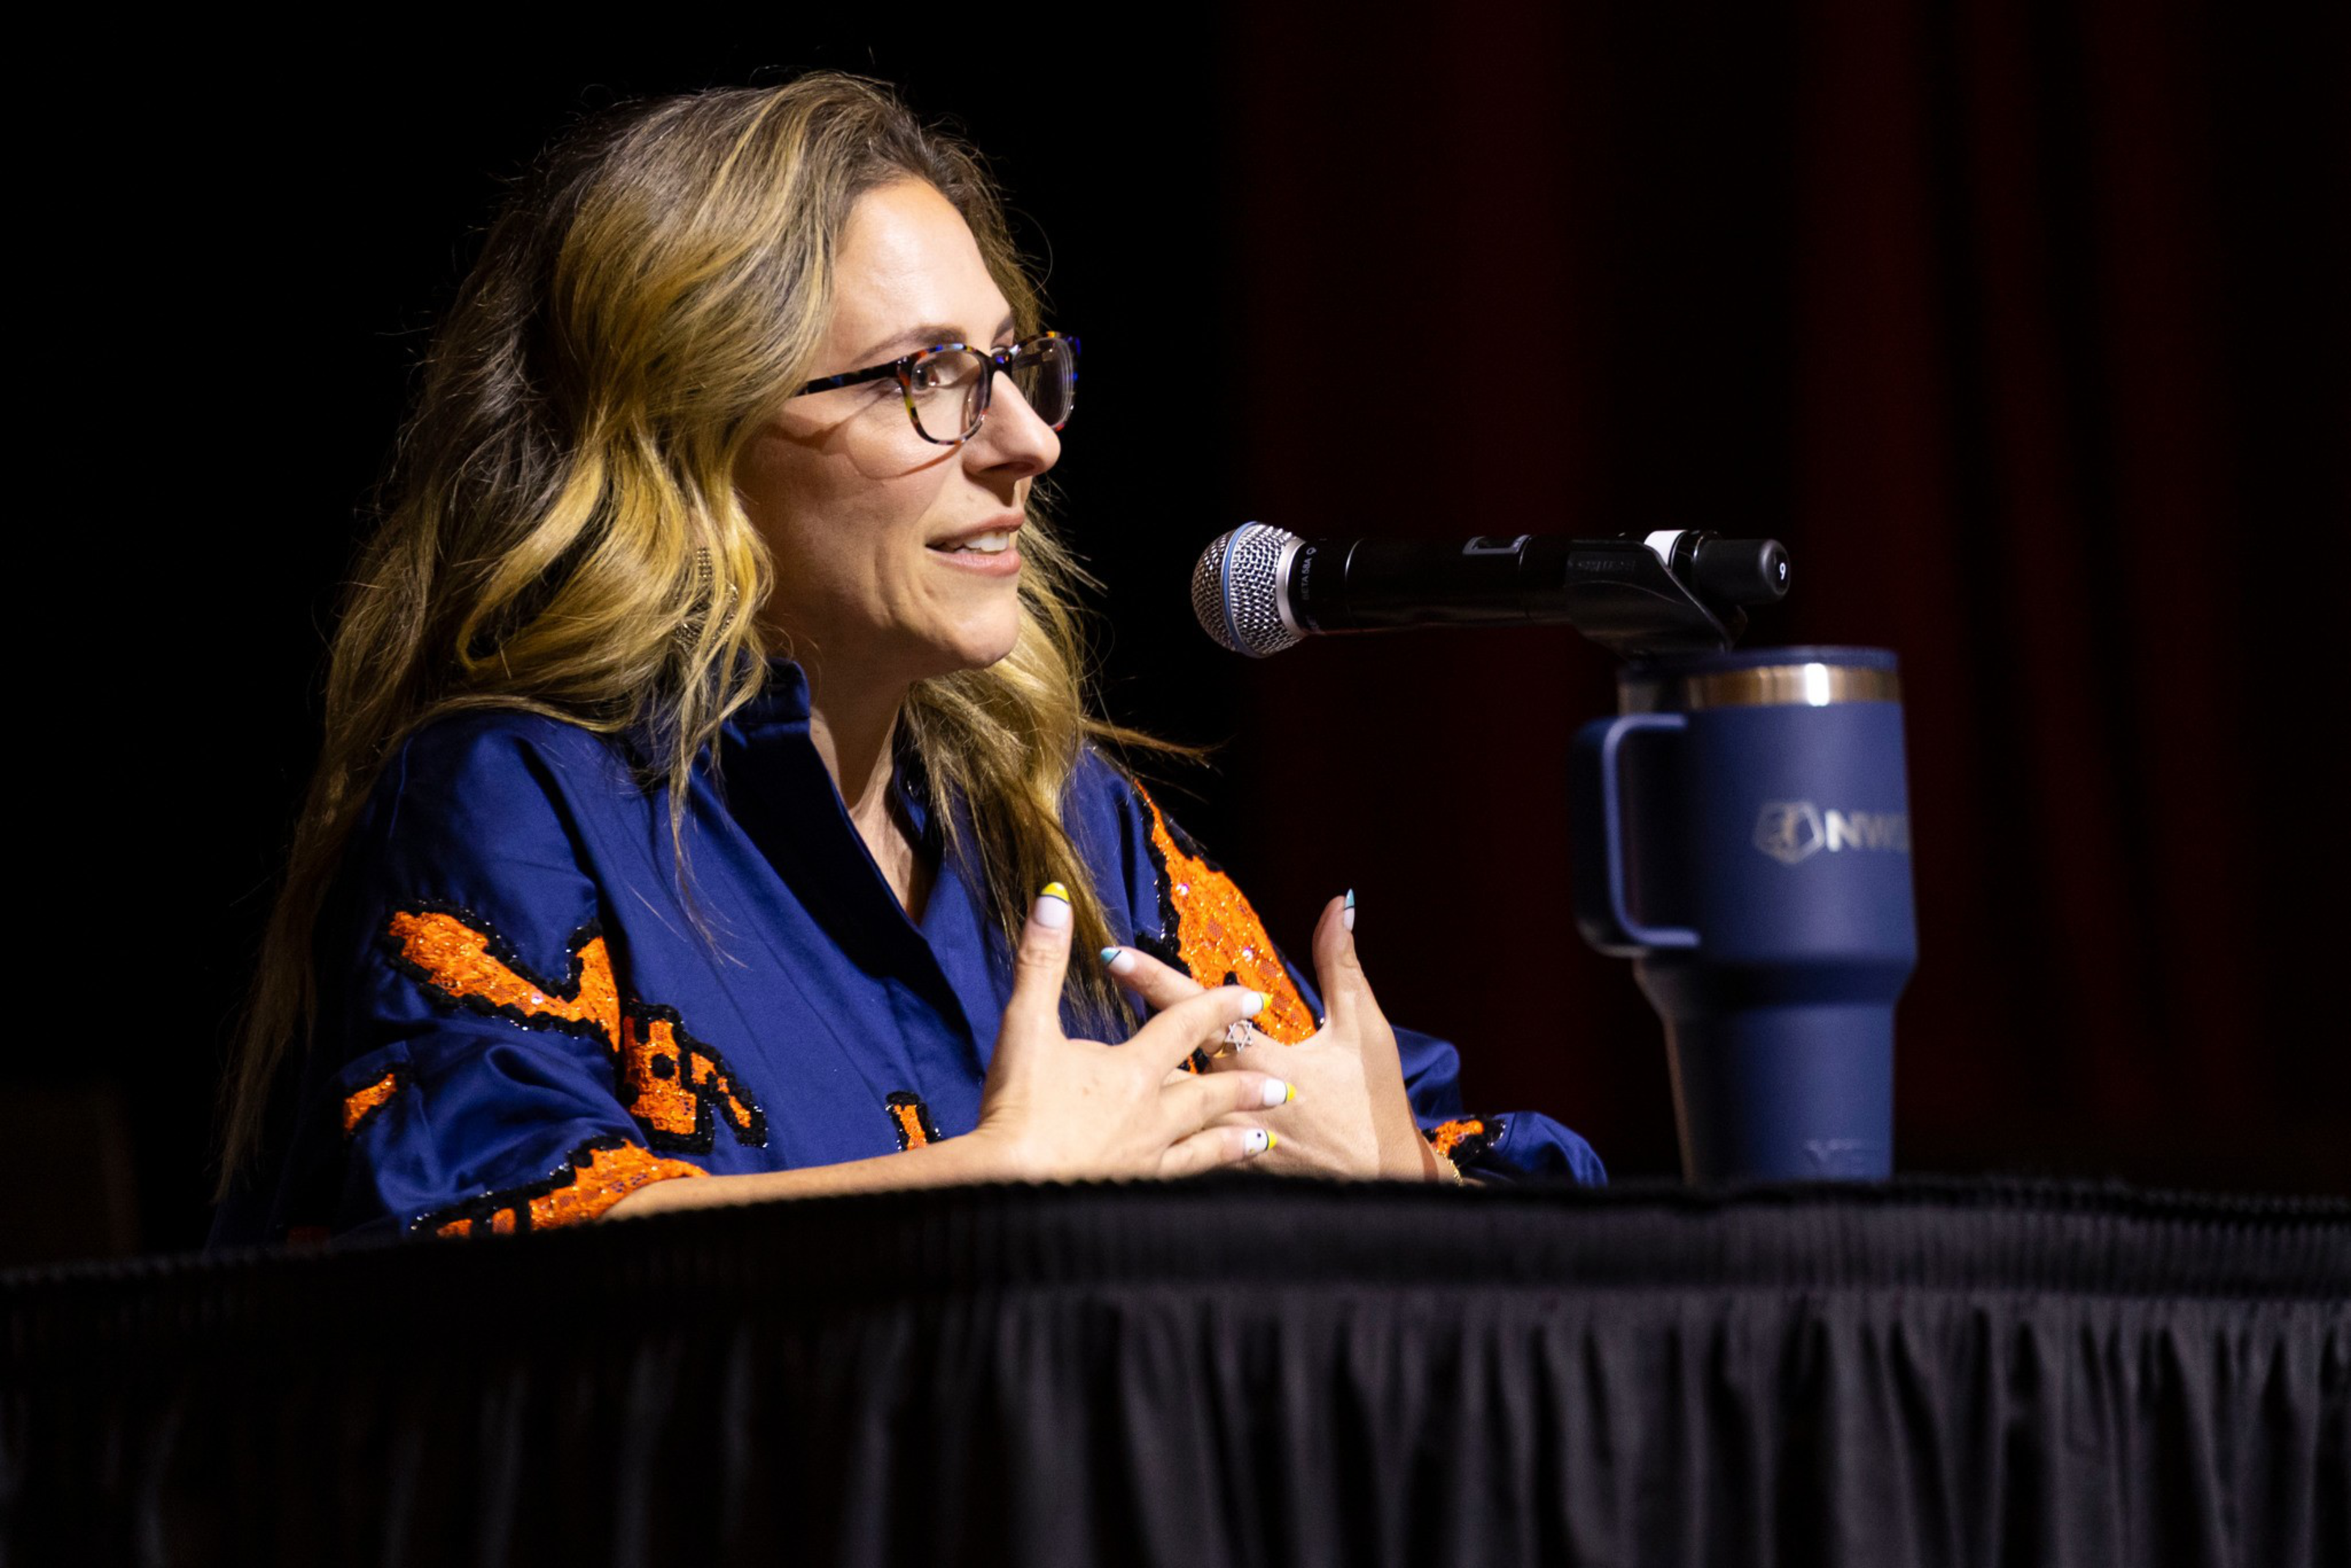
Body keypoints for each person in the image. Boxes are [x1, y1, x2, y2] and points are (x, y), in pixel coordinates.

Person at [210, 74, 1603, 1247]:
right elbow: (491, 1258)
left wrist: (1401, 1184)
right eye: (930, 376)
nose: (1028, 444)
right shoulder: (517, 798)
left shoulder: (1067, 818)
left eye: (1016, 365)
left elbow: (1478, 1168)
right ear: (690, 436)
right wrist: (993, 1193)